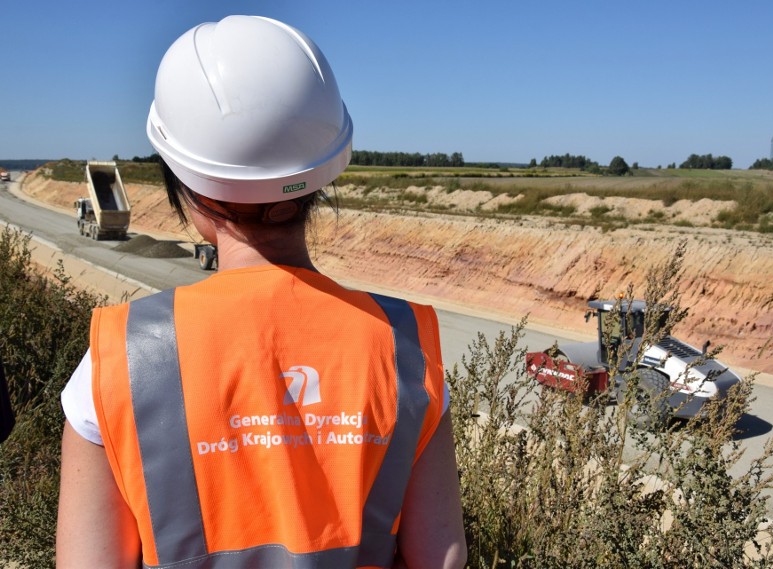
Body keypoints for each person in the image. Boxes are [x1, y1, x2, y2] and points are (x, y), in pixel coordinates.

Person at [56, 15, 466, 569]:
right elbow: (440, 558)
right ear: (324, 174)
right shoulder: (409, 352)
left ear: (186, 184)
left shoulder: (116, 362)